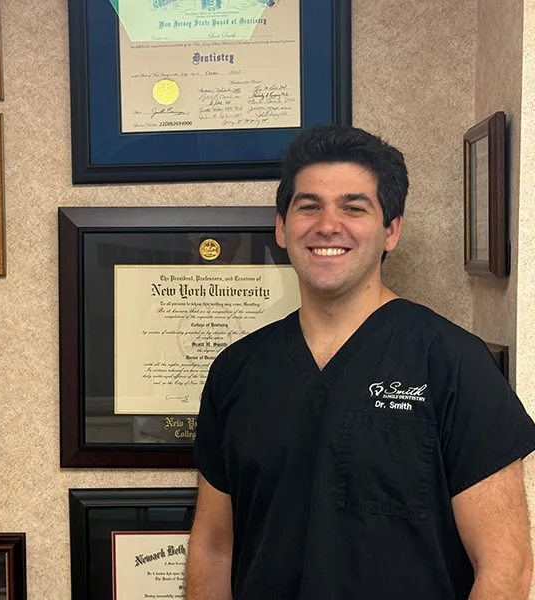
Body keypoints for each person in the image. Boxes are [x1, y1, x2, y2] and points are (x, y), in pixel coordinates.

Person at [186, 124, 535, 599]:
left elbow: (505, 571)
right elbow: (212, 548)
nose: (328, 225)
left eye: (354, 207)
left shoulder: (454, 364)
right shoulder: (235, 372)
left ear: (391, 230)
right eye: (309, 206)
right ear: (282, 227)